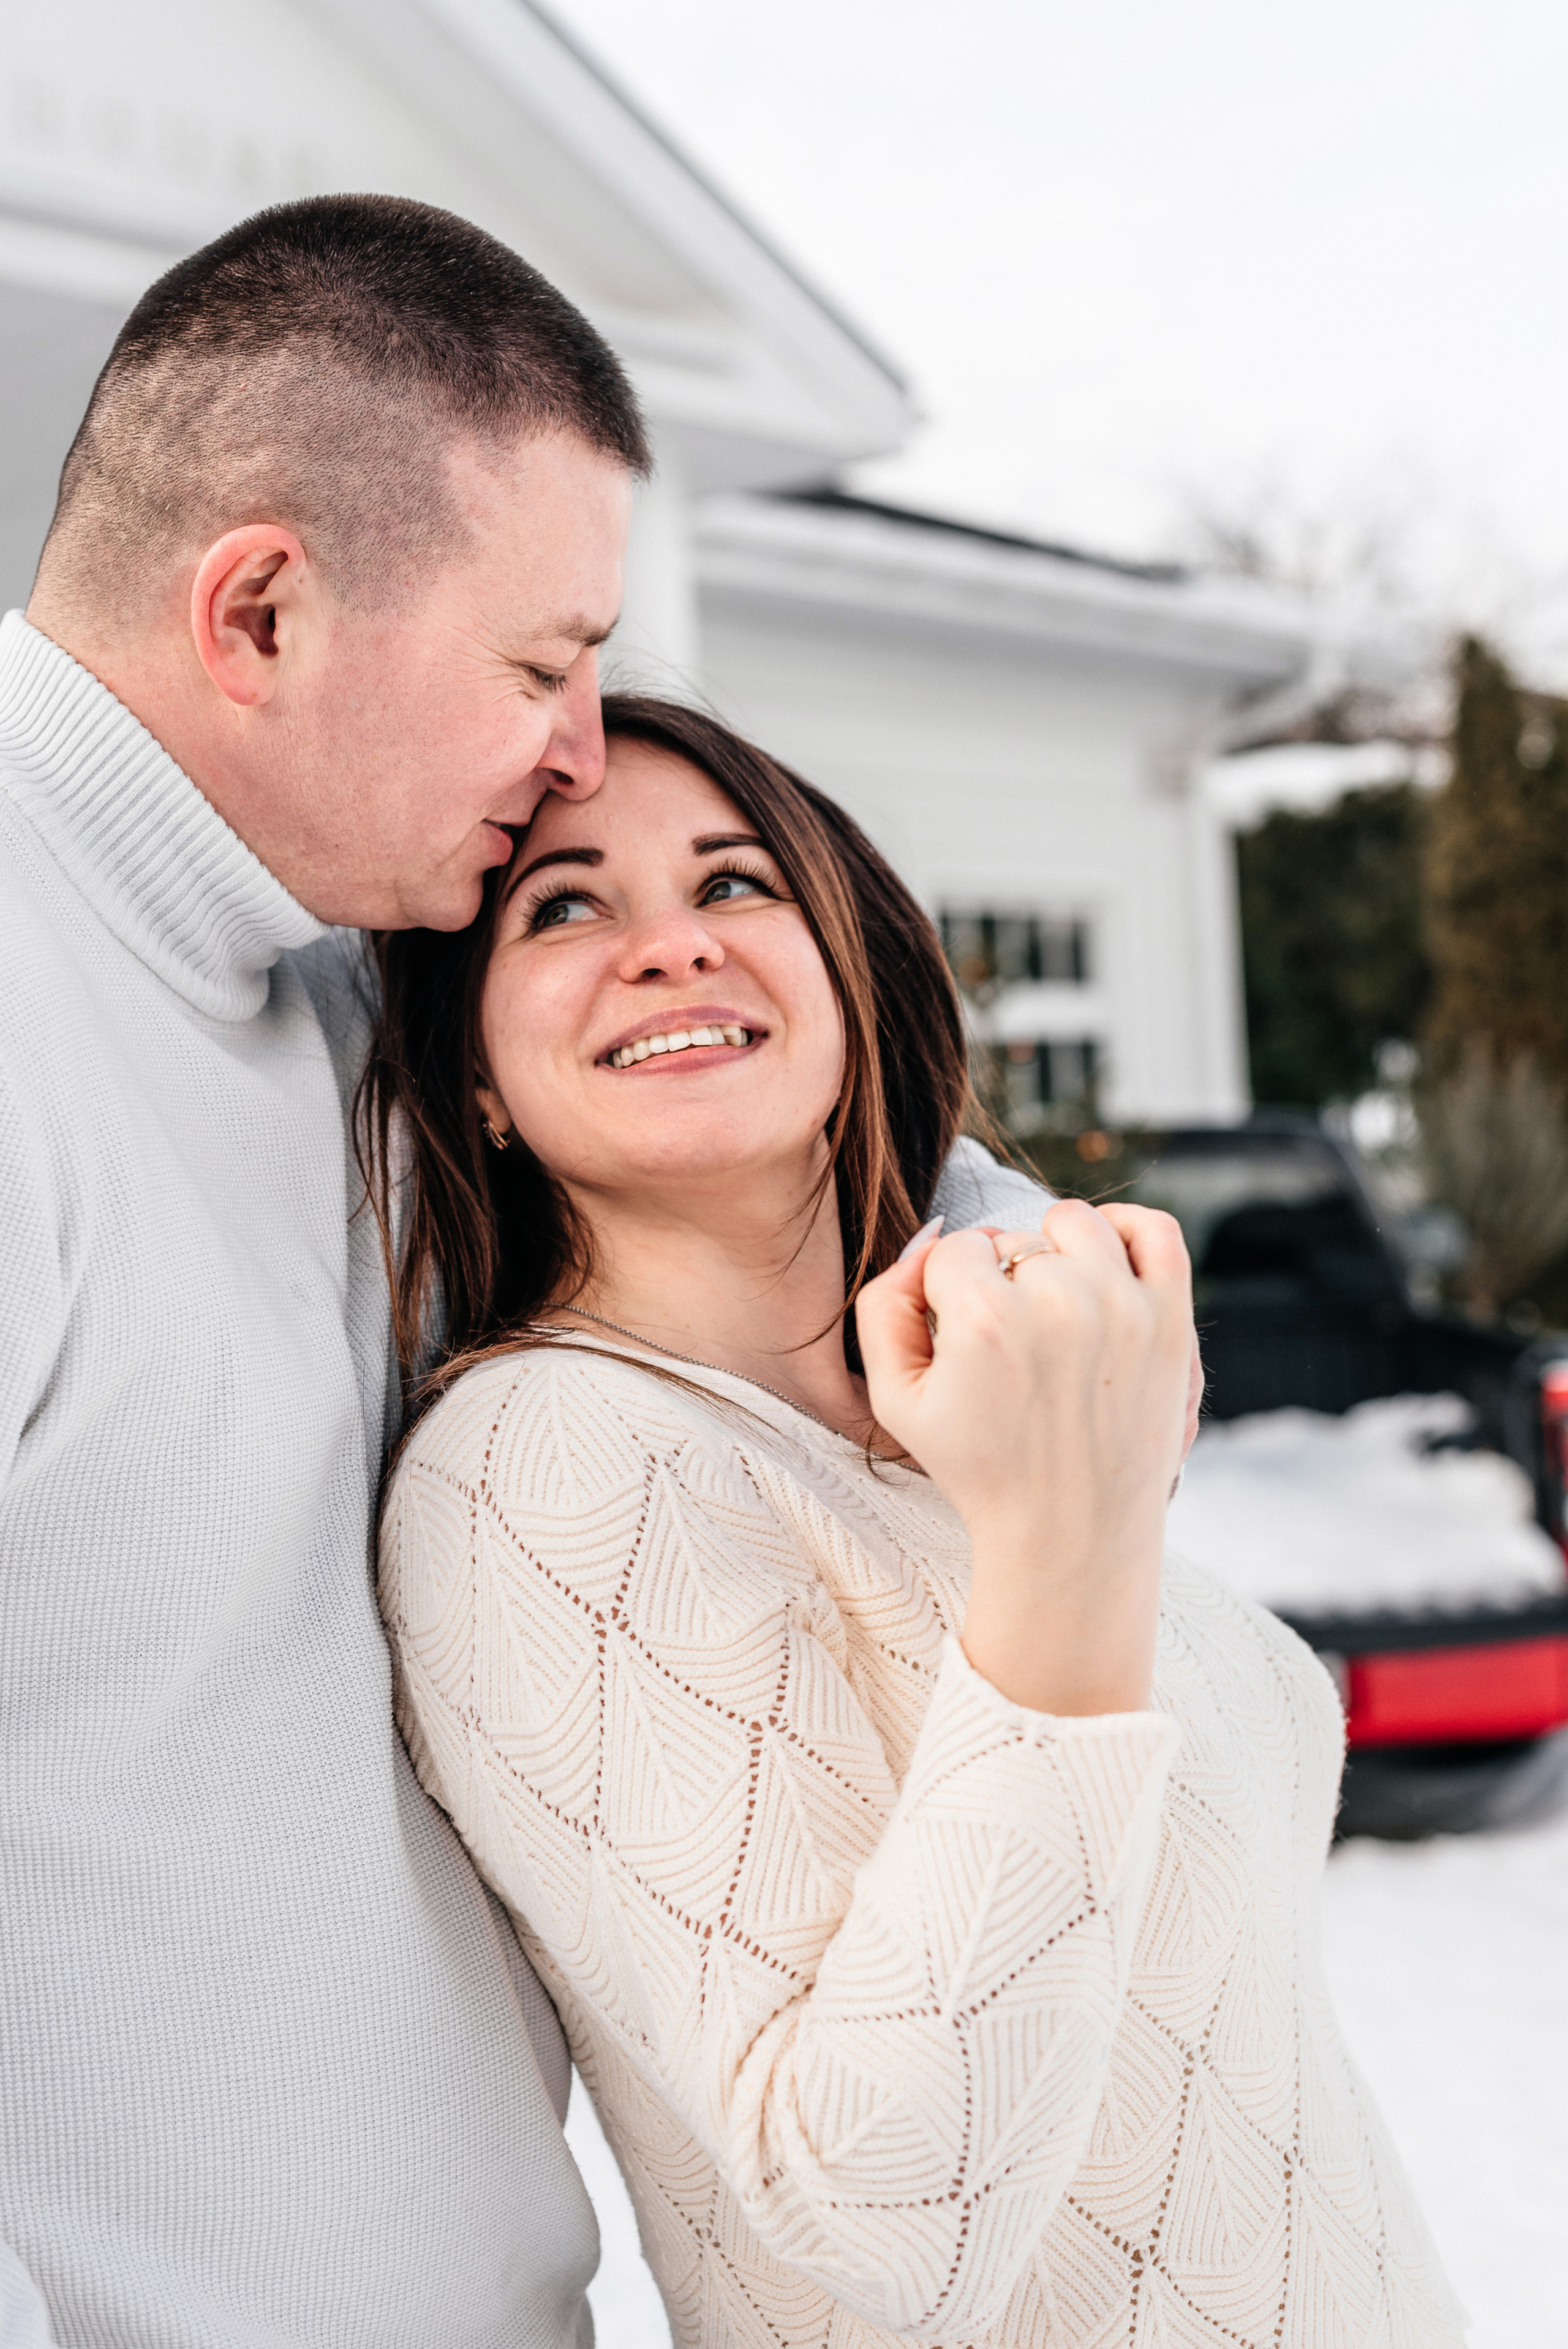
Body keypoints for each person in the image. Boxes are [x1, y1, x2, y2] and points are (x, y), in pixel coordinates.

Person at [0, 194, 1053, 2345]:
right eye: (541, 665)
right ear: (265, 611)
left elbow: (756, 1151)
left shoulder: (316, 980)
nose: (583, 741)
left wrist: (1028, 1273)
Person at [373, 698, 1466, 2348]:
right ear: (484, 1080)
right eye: (568, 904)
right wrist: (1067, 1553)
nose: (668, 947)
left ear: (850, 981)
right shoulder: (543, 1470)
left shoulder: (954, 1418)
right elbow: (882, 2214)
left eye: (734, 884)